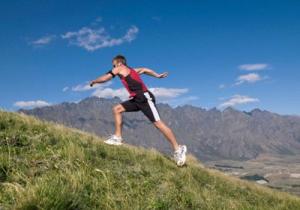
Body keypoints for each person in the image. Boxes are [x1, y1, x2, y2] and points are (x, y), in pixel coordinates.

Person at [90, 55, 187, 166]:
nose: (113, 67)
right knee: (117, 109)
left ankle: (178, 148)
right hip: (137, 99)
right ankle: (117, 137)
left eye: (114, 65)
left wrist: (94, 81)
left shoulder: (119, 68)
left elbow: (106, 78)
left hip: (145, 98)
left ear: (119, 63)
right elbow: (144, 69)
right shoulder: (132, 70)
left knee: (158, 124)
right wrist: (157, 75)